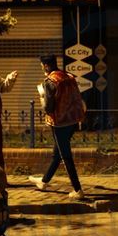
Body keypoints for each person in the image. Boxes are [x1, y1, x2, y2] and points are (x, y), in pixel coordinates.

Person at [29, 54, 86, 199]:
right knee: (58, 153)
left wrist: (42, 96)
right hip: (73, 120)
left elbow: (48, 108)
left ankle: (78, 190)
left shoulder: (50, 81)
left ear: (46, 66)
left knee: (65, 156)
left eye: (42, 66)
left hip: (59, 123)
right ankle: (44, 181)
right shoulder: (69, 76)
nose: (42, 68)